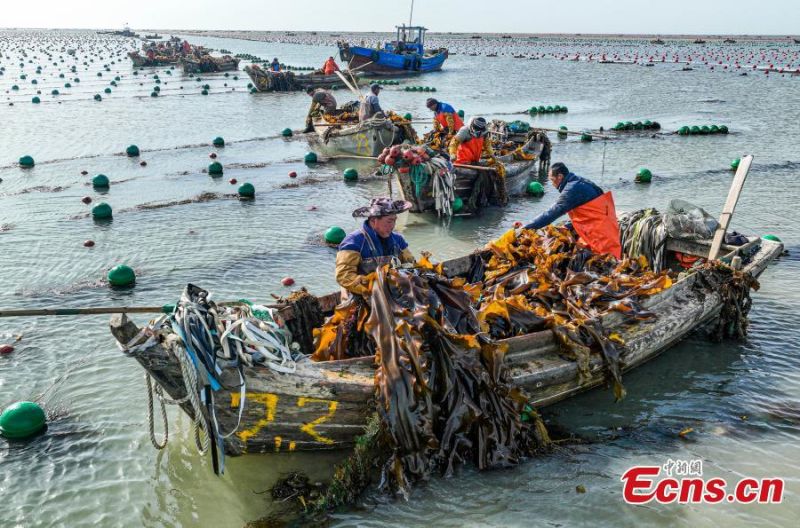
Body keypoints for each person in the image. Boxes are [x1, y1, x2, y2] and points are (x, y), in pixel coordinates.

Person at [523, 162, 621, 258]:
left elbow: (552, 213)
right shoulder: (578, 182)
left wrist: (525, 228)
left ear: (560, 176)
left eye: (552, 180)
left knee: (607, 261)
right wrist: (568, 225)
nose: (552, 184)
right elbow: (588, 211)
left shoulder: (572, 189)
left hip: (601, 234)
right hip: (603, 226)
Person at [336, 198, 415, 297]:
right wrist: (369, 290)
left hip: (392, 291)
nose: (393, 226)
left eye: (394, 221)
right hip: (362, 294)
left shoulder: (398, 239)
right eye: (389, 221)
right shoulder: (353, 242)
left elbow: (411, 264)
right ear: (374, 220)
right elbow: (344, 276)